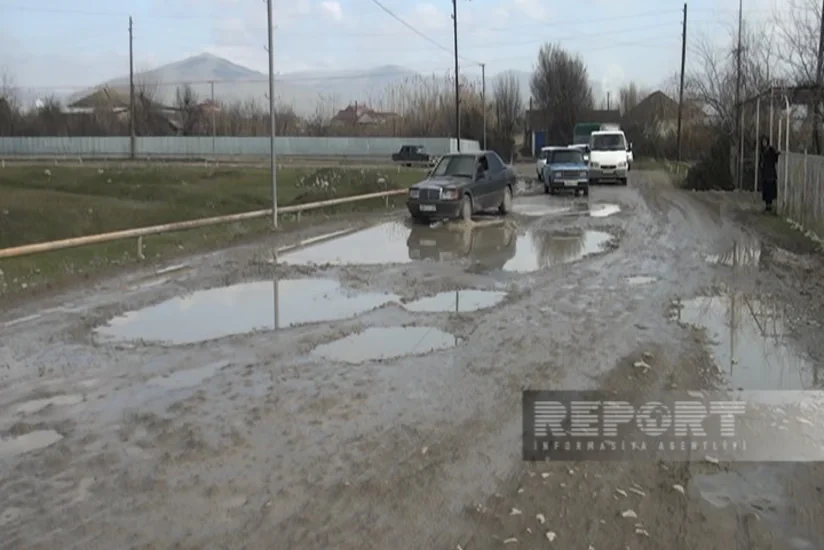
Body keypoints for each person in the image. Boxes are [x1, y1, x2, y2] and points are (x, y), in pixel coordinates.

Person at [759, 135, 780, 213]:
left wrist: (777, 154)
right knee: (766, 190)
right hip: (765, 173)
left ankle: (770, 206)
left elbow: (775, 158)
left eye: (765, 141)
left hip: (770, 173)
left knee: (770, 190)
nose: (764, 143)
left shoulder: (771, 150)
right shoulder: (762, 151)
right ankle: (767, 205)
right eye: (763, 142)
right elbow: (761, 160)